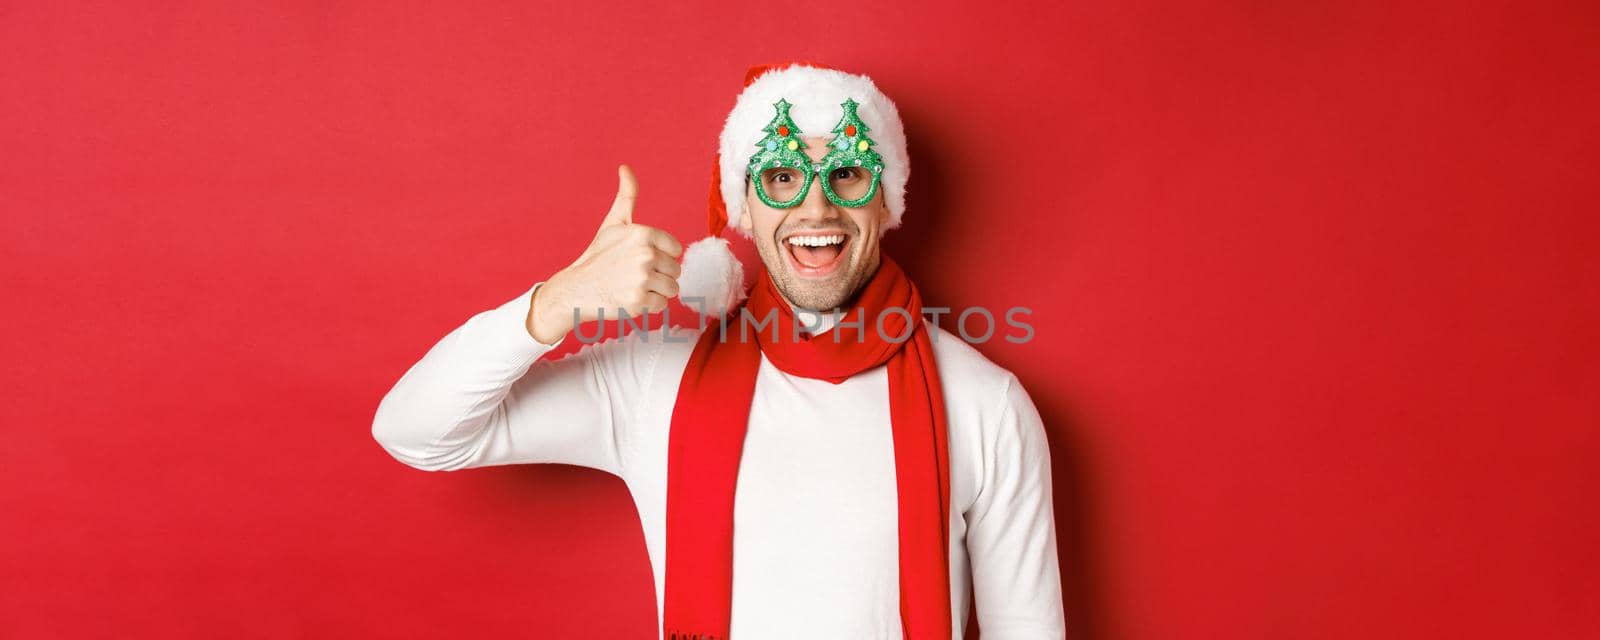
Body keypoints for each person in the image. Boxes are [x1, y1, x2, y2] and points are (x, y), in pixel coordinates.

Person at [372, 63, 1065, 639]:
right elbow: (415, 432)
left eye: (849, 174)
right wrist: (556, 303)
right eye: (783, 178)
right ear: (745, 205)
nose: (817, 209)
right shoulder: (653, 381)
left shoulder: (984, 404)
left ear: (886, 201)